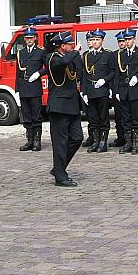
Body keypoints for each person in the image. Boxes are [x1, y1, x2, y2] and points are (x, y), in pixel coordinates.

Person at [45, 31, 83, 186]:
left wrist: (77, 56)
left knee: (77, 138)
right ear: (61, 46)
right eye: (69, 44)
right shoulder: (52, 58)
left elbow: (78, 72)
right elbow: (62, 64)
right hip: (59, 106)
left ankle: (58, 167)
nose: (72, 46)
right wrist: (74, 53)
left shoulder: (70, 58)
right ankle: (60, 176)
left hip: (72, 105)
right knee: (60, 142)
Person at [113, 29, 138, 154]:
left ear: (134, 39)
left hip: (136, 90)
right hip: (123, 90)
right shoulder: (121, 55)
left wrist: (137, 77)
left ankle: (136, 144)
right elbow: (117, 74)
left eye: (129, 39)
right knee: (125, 119)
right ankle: (128, 143)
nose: (127, 42)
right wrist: (116, 91)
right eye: (125, 39)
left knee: (136, 119)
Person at [81, 28, 115, 153]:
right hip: (90, 90)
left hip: (102, 90)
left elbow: (113, 72)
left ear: (102, 41)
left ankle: (103, 142)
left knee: (103, 117)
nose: (95, 42)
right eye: (93, 39)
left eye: (97, 40)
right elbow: (84, 75)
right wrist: (84, 92)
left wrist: (104, 81)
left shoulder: (107, 54)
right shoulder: (86, 56)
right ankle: (95, 141)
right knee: (93, 118)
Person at [15, 27, 46, 152]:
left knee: (36, 116)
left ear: (35, 38)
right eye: (27, 38)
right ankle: (29, 140)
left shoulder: (40, 52)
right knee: (26, 116)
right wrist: (17, 89)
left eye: (31, 37)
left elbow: (48, 67)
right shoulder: (20, 53)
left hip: (34, 88)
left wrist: (39, 73)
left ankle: (37, 141)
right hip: (23, 87)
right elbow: (18, 72)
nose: (29, 40)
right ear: (24, 39)